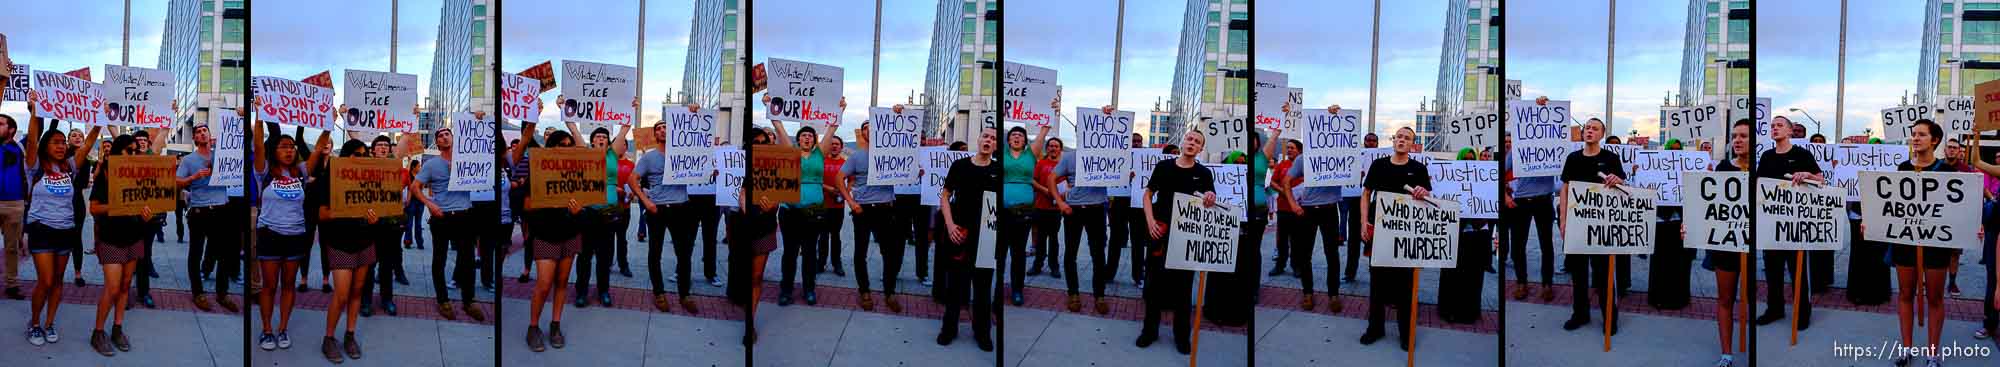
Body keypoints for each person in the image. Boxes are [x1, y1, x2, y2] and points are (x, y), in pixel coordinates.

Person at [20, 97, 101, 347]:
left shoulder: (70, 168)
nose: (61, 145)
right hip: (42, 229)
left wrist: (99, 117)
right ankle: (35, 323)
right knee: (44, 280)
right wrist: (35, 112)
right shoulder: (34, 166)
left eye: (63, 142)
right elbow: (33, 139)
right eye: (55, 142)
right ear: (46, 146)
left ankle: (49, 322)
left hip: (66, 230)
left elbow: (87, 144)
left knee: (57, 281)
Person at [1875, 119, 1955, 367]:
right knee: (1905, 294)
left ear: (1934, 140)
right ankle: (1906, 349)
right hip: (1905, 243)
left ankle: (1933, 354)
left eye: (1921, 134)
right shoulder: (1902, 168)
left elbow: (1955, 210)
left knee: (1935, 298)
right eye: (1913, 134)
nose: (1915, 138)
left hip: (1936, 245)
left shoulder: (1946, 172)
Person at [1138, 128, 1217, 355]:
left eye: (1197, 142)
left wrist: (1210, 198)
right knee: (1153, 286)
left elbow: (1209, 201)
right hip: (1159, 233)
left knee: (1183, 290)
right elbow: (1147, 194)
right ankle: (1149, 331)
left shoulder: (1203, 173)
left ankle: (1182, 336)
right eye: (1189, 139)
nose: (1192, 143)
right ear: (1183, 142)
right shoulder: (1163, 167)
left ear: (1201, 149)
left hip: (1186, 237)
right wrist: (1150, 221)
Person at [1358, 127, 1433, 350]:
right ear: (1393, 141)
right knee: (1377, 282)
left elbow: (1428, 196)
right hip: (1378, 230)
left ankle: (1405, 332)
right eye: (1399, 137)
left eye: (1407, 138)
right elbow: (1366, 194)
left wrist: (1423, 192)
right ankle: (1375, 328)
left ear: (1412, 144)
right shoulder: (1379, 165)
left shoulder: (1418, 168)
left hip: (1405, 234)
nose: (1401, 140)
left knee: (1405, 284)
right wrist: (1363, 223)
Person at [765, 95, 845, 306]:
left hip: (813, 212)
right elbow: (778, 125)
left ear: (814, 140)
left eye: (810, 135)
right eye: (804, 135)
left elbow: (832, 128)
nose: (807, 138)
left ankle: (809, 289)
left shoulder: (820, 153)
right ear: (798, 139)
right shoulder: (790, 152)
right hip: (790, 211)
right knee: (790, 252)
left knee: (810, 253)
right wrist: (768, 104)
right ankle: (786, 290)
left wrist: (840, 109)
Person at [633, 104, 712, 313]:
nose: (662, 130)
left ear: (674, 130)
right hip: (657, 210)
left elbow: (704, 165)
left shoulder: (685, 152)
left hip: (681, 208)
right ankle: (659, 293)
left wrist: (692, 112)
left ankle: (684, 294)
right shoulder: (649, 157)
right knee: (655, 252)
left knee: (684, 254)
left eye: (666, 127)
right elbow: (633, 180)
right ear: (654, 134)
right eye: (658, 128)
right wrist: (646, 201)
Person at [514, 127, 585, 352]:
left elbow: (586, 198)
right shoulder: (537, 170)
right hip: (545, 234)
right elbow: (524, 205)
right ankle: (533, 327)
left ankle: (555, 325)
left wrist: (577, 210)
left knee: (562, 282)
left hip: (570, 233)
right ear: (551, 147)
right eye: (560, 145)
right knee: (544, 285)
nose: (565, 149)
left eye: (569, 146)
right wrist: (549, 202)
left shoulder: (578, 172)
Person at [311, 139, 381, 362]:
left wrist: (373, 218)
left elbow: (378, 208)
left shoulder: (371, 179)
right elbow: (321, 214)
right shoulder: (329, 178)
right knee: (341, 295)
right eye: (358, 154)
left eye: (366, 154)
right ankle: (329, 338)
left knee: (357, 291)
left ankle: (350, 335)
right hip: (340, 242)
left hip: (365, 241)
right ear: (348, 155)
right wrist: (347, 210)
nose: (363, 158)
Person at [832, 112, 909, 312]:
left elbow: (906, 170)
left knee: (889, 253)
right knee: (860, 253)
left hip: (886, 209)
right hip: (863, 210)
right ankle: (864, 290)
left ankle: (889, 292)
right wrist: (851, 202)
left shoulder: (891, 153)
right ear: (863, 133)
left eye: (873, 126)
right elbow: (839, 179)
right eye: (866, 127)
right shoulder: (857, 156)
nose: (870, 130)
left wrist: (914, 172)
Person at [85, 134, 154, 356]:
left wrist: (146, 214)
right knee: (113, 288)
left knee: (125, 286)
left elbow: (146, 204)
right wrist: (118, 205)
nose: (133, 154)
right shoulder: (105, 174)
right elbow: (94, 208)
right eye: (128, 150)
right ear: (117, 151)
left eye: (135, 151)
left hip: (135, 236)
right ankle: (98, 332)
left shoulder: (139, 174)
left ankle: (117, 328)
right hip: (111, 237)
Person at [412, 122, 488, 321]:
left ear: (454, 139)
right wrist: (430, 204)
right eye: (440, 135)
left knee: (468, 260)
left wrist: (478, 120)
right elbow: (415, 187)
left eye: (447, 134)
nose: (444, 137)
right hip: (441, 217)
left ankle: (469, 301)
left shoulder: (468, 161)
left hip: (464, 215)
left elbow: (484, 147)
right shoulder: (430, 165)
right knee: (439, 259)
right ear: (437, 142)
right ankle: (443, 301)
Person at [1559, 117, 1628, 333]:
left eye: (1594, 128)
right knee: (1578, 274)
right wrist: (1563, 221)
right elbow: (1565, 189)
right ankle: (1580, 314)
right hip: (1577, 224)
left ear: (1601, 134)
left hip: (1602, 226)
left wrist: (1618, 180)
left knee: (1604, 274)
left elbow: (1623, 184)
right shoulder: (1573, 158)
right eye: (1587, 128)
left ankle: (1610, 318)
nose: (1589, 131)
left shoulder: (1611, 158)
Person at [1754, 115, 1822, 330]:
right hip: (1771, 224)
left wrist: (1807, 174)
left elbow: (1821, 180)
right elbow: (1759, 186)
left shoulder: (1802, 154)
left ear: (1790, 131)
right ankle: (1775, 308)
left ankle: (1802, 312)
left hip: (1796, 225)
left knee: (1798, 270)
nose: (1775, 128)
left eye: (1779, 125)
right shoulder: (1766, 156)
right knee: (1772, 270)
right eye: (1772, 126)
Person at [937, 127, 997, 351]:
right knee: (954, 286)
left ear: (996, 145)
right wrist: (950, 224)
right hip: (959, 234)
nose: (988, 141)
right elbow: (945, 196)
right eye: (985, 136)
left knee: (982, 288)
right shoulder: (960, 166)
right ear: (978, 139)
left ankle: (982, 332)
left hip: (987, 238)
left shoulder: (998, 170)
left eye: (993, 138)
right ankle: (948, 329)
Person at [1050, 105, 1115, 313]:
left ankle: (1100, 295)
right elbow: (1051, 178)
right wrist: (1060, 203)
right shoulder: (1069, 157)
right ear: (1079, 134)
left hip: (1097, 210)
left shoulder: (1107, 155)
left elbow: (1113, 131)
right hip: (1074, 210)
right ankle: (1073, 293)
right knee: (1070, 253)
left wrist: (1106, 115)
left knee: (1098, 254)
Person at [1701, 119, 1755, 367]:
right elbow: (1707, 206)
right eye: (1734, 136)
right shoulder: (1721, 169)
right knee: (1725, 299)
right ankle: (1726, 355)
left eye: (1743, 135)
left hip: (1752, 244)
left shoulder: (1761, 169)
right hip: (1725, 245)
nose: (1737, 140)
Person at [1285, 105, 1348, 312]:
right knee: (1305, 255)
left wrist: (1335, 115)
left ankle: (1333, 294)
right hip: (1308, 211)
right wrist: (1293, 204)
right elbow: (1287, 181)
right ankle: (1308, 293)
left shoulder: (1341, 156)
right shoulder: (1303, 159)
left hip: (1330, 210)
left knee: (1332, 255)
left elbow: (1340, 132)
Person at [178, 119, 238, 313]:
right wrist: (193, 178)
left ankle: (222, 293)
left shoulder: (221, 156)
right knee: (196, 252)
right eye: (199, 131)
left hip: (222, 209)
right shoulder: (188, 160)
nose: (202, 133)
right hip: (199, 211)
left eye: (205, 130)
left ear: (210, 136)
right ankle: (198, 293)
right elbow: (177, 182)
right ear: (195, 138)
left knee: (224, 254)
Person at [569, 122, 631, 308]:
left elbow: (623, 132)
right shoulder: (585, 153)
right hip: (588, 211)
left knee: (605, 255)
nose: (601, 138)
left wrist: (628, 117)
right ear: (591, 141)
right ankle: (582, 292)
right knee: (585, 254)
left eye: (604, 136)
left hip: (609, 212)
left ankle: (603, 291)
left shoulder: (613, 154)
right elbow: (574, 131)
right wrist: (565, 110)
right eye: (597, 136)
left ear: (609, 141)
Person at [736, 127, 781, 345]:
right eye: (756, 141)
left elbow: (782, 191)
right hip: (743, 227)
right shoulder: (740, 165)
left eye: (764, 140)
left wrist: (774, 203)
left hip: (764, 228)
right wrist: (744, 204)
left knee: (756, 277)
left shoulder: (776, 165)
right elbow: (739, 192)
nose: (761, 143)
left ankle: (749, 323)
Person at [1438, 147, 1491, 325]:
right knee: (1452, 275)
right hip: (1455, 233)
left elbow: (1487, 209)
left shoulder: (1483, 181)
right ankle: (1448, 310)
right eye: (1465, 159)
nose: (1468, 161)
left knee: (1474, 276)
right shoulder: (1449, 181)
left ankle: (1470, 311)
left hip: (1476, 235)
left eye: (1472, 158)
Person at [1005, 118, 1054, 306]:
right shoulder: (1002, 155)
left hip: (1023, 213)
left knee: (1018, 253)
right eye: (1013, 135)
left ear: (1025, 141)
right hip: (1001, 212)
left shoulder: (1030, 155)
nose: (1017, 137)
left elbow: (1043, 132)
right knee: (999, 252)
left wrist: (1052, 111)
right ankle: (998, 289)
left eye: (1020, 135)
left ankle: (1017, 289)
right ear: (1008, 140)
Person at [1342, 133, 1381, 283]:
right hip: (1355, 202)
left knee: (1373, 241)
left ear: (1377, 143)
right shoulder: (1355, 158)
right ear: (1364, 142)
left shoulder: (1382, 162)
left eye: (1373, 140)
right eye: (1368, 140)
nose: (1370, 143)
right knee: (1353, 240)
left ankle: (1374, 273)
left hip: (1374, 207)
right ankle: (1350, 273)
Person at [1029, 135, 1064, 280]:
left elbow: (1067, 184)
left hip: (1056, 209)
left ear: (1060, 149)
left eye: (1056, 146)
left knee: (1054, 238)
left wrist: (1057, 195)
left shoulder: (1064, 164)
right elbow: (1032, 181)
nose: (1053, 148)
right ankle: (1037, 265)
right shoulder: (1040, 164)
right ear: (1047, 148)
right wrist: (1045, 190)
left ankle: (1054, 266)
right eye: (1051, 145)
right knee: (1040, 238)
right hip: (1040, 206)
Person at [820, 135, 849, 277]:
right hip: (823, 204)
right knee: (823, 235)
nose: (834, 146)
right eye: (832, 144)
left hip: (838, 206)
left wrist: (845, 193)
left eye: (837, 144)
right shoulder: (822, 161)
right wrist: (828, 189)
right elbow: (815, 180)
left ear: (841, 147)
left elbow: (852, 181)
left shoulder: (846, 163)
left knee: (836, 235)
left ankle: (837, 263)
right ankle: (821, 262)